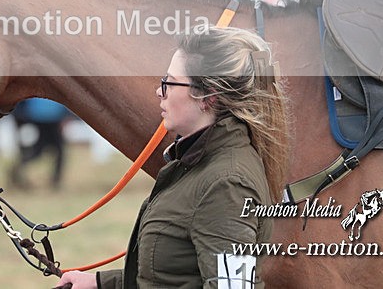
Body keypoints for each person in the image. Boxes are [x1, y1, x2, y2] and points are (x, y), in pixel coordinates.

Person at [58, 26, 290, 289]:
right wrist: (100, 283)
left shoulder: (228, 185)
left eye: (169, 83)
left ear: (207, 97)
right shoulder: (199, 163)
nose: (159, 91)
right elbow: (173, 275)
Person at [9, 97, 70, 189]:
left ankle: (17, 169)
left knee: (41, 152)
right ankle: (55, 180)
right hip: (45, 118)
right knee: (55, 152)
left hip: (43, 118)